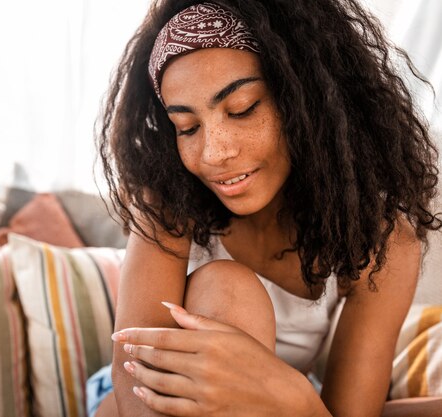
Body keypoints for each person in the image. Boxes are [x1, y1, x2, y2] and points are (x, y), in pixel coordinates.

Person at [94, 0, 442, 416]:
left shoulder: (385, 239)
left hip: (276, 407)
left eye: (242, 109)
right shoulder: (170, 198)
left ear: (308, 101)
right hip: (139, 399)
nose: (214, 153)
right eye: (186, 127)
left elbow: (349, 412)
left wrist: (292, 395)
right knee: (226, 286)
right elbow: (134, 382)